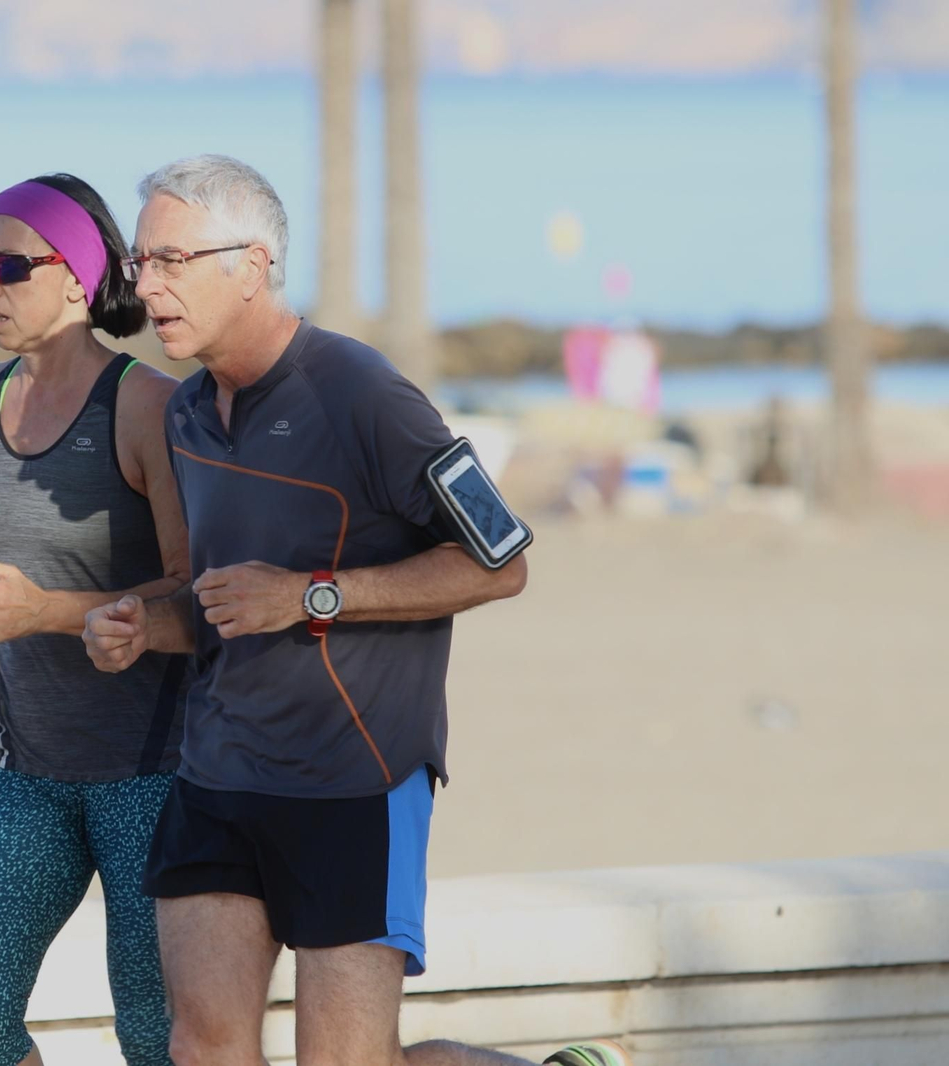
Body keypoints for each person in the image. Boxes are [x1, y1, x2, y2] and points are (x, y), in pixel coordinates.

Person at [81, 155, 632, 1066]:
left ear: (253, 266)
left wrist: (312, 594)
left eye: (173, 260)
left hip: (355, 777)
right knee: (203, 1048)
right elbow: (221, 606)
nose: (148, 286)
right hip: (217, 775)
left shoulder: (363, 394)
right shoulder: (185, 414)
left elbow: (502, 562)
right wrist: (145, 626)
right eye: (142, 262)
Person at [0, 173, 190, 1066]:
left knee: (154, 1036)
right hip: (22, 765)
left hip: (154, 771)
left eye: (9, 266)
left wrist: (51, 613)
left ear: (76, 276)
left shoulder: (146, 404)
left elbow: (192, 586)